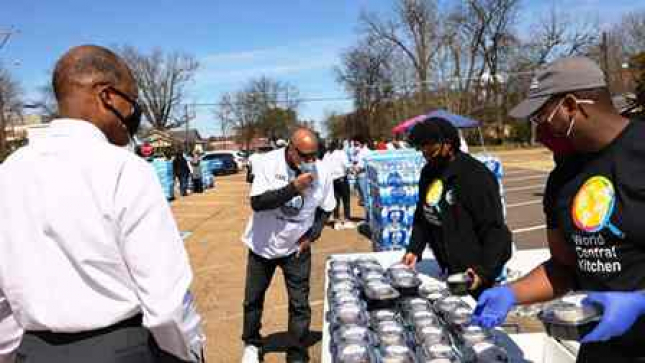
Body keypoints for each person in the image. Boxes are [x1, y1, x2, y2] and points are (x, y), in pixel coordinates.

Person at [0, 45, 204, 362]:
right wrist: (188, 353)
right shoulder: (125, 170)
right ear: (106, 96)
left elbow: (2, 306)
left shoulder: (8, 174)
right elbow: (167, 303)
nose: (135, 113)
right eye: (132, 101)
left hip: (33, 352)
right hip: (123, 349)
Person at [471, 57, 645, 362]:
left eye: (541, 118)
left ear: (570, 105)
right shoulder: (562, 179)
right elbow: (564, 268)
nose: (539, 133)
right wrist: (512, 293)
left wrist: (640, 302)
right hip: (602, 348)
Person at [241, 128, 336, 363]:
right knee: (253, 299)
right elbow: (258, 203)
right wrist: (294, 188)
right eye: (305, 156)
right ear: (291, 149)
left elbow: (326, 208)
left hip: (296, 249)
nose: (310, 161)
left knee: (300, 304)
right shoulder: (267, 163)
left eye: (314, 155)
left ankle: (296, 352)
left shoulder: (322, 171)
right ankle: (252, 344)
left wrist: (311, 235)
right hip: (262, 246)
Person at [401, 118, 512, 298]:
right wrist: (415, 248)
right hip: (449, 264)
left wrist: (481, 272)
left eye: (431, 150)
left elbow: (495, 230)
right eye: (422, 150)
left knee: (470, 315)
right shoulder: (429, 172)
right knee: (449, 310)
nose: (426, 156)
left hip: (475, 268)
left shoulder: (476, 177)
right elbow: (423, 213)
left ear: (449, 145)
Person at [323, 140, 354, 230]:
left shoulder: (327, 155)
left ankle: (336, 222)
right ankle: (347, 220)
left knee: (336, 201)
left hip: (332, 180)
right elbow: (346, 165)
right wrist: (351, 169)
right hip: (341, 179)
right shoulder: (341, 153)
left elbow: (324, 167)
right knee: (346, 200)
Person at [351, 135, 371, 207]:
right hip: (358, 176)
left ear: (362, 143)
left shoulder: (367, 152)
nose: (356, 146)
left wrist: (359, 168)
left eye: (357, 144)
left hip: (364, 176)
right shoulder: (357, 152)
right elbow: (354, 162)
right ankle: (366, 215)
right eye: (355, 144)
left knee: (366, 197)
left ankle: (369, 216)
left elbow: (367, 165)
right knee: (362, 197)